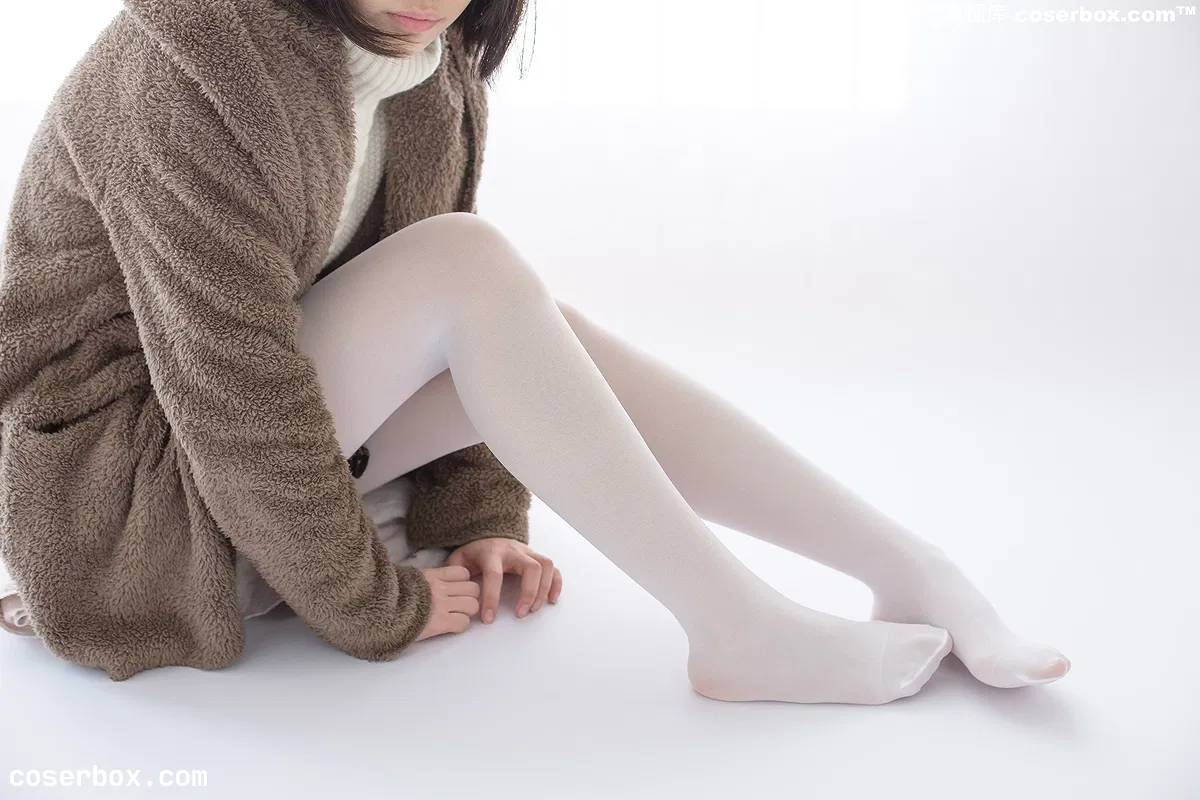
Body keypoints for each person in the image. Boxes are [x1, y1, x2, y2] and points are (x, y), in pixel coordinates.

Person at [0, 0, 1068, 702]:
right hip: (124, 512)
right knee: (466, 260)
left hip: (249, 465)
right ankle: (740, 626)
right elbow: (234, 393)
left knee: (537, 315)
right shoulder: (191, 68)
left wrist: (472, 519)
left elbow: (458, 340)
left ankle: (907, 570)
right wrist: (376, 603)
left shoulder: (423, 61)